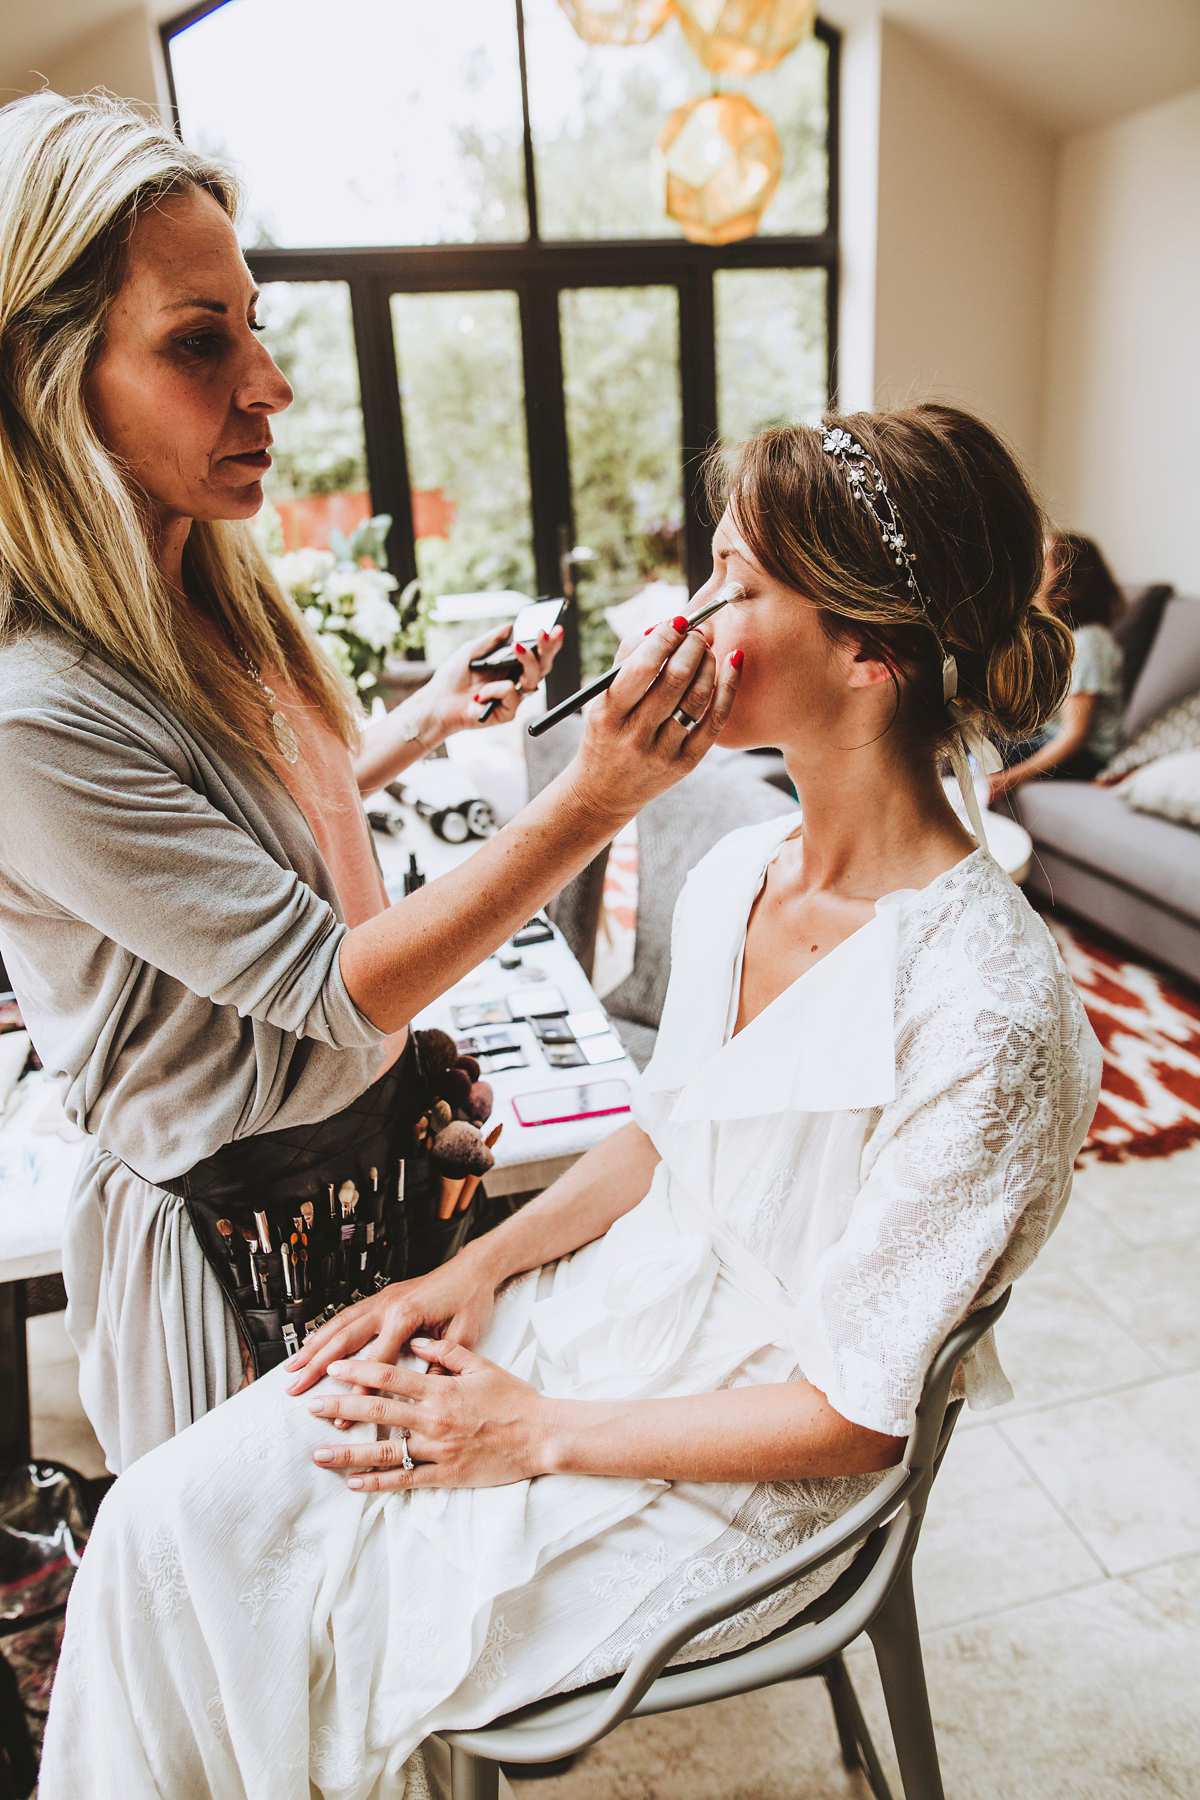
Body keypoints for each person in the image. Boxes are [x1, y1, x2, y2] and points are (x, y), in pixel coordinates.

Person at [41, 403, 1101, 1800]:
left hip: (752, 1447)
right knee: (157, 1522)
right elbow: (668, 1139)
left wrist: (533, 1432)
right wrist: (471, 1273)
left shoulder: (989, 1008)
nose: (686, 615)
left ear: (870, 651)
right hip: (611, 1321)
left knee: (274, 1596)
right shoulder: (743, 874)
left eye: (737, 581)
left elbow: (857, 1410)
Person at [0, 91, 739, 1473]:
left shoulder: (208, 580)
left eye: (254, 329)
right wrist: (594, 796)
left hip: (371, 1171)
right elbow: (333, 982)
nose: (268, 387)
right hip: (240, 1245)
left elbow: (254, 806)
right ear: (44, 379)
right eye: (199, 343)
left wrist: (414, 726)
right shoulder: (31, 717)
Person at [988, 530, 1124, 802]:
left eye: (1041, 561)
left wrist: (1012, 779)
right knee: (979, 740)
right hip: (1048, 738)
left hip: (1086, 757)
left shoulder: (1089, 643)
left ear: (1069, 583)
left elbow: (1075, 737)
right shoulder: (1060, 638)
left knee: (987, 752)